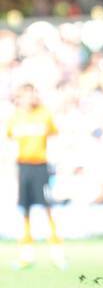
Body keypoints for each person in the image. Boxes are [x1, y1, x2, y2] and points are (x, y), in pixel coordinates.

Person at [6, 84, 65, 270]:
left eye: (31, 94)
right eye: (24, 95)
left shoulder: (44, 114)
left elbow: (55, 134)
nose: (28, 98)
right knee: (25, 209)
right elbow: (9, 139)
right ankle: (26, 255)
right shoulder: (15, 117)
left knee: (47, 208)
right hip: (23, 166)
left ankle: (57, 253)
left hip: (40, 165)